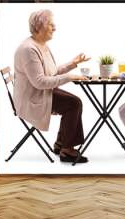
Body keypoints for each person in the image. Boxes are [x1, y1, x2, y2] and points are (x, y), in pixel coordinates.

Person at [13, 9, 90, 163]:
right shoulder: (29, 49)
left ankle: (61, 143)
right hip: (32, 98)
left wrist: (72, 64)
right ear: (38, 27)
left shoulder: (41, 45)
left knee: (73, 102)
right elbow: (40, 82)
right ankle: (66, 150)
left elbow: (51, 72)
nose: (54, 28)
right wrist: (70, 77)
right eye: (50, 24)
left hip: (40, 93)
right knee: (73, 103)